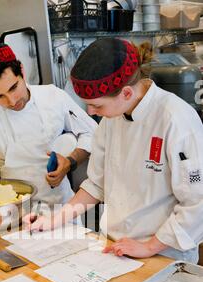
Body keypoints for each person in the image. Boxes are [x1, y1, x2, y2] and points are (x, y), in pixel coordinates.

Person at [24, 38, 203, 263]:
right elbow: (96, 184)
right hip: (116, 247)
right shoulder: (112, 119)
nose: (90, 112)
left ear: (126, 93)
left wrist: (149, 247)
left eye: (97, 105)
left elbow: (197, 203)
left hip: (164, 254)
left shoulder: (175, 119)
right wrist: (55, 220)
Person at [0, 43, 97, 232]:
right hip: (14, 214)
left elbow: (91, 133)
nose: (12, 101)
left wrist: (70, 162)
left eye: (14, 87)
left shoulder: (52, 96)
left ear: (22, 71)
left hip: (60, 210)